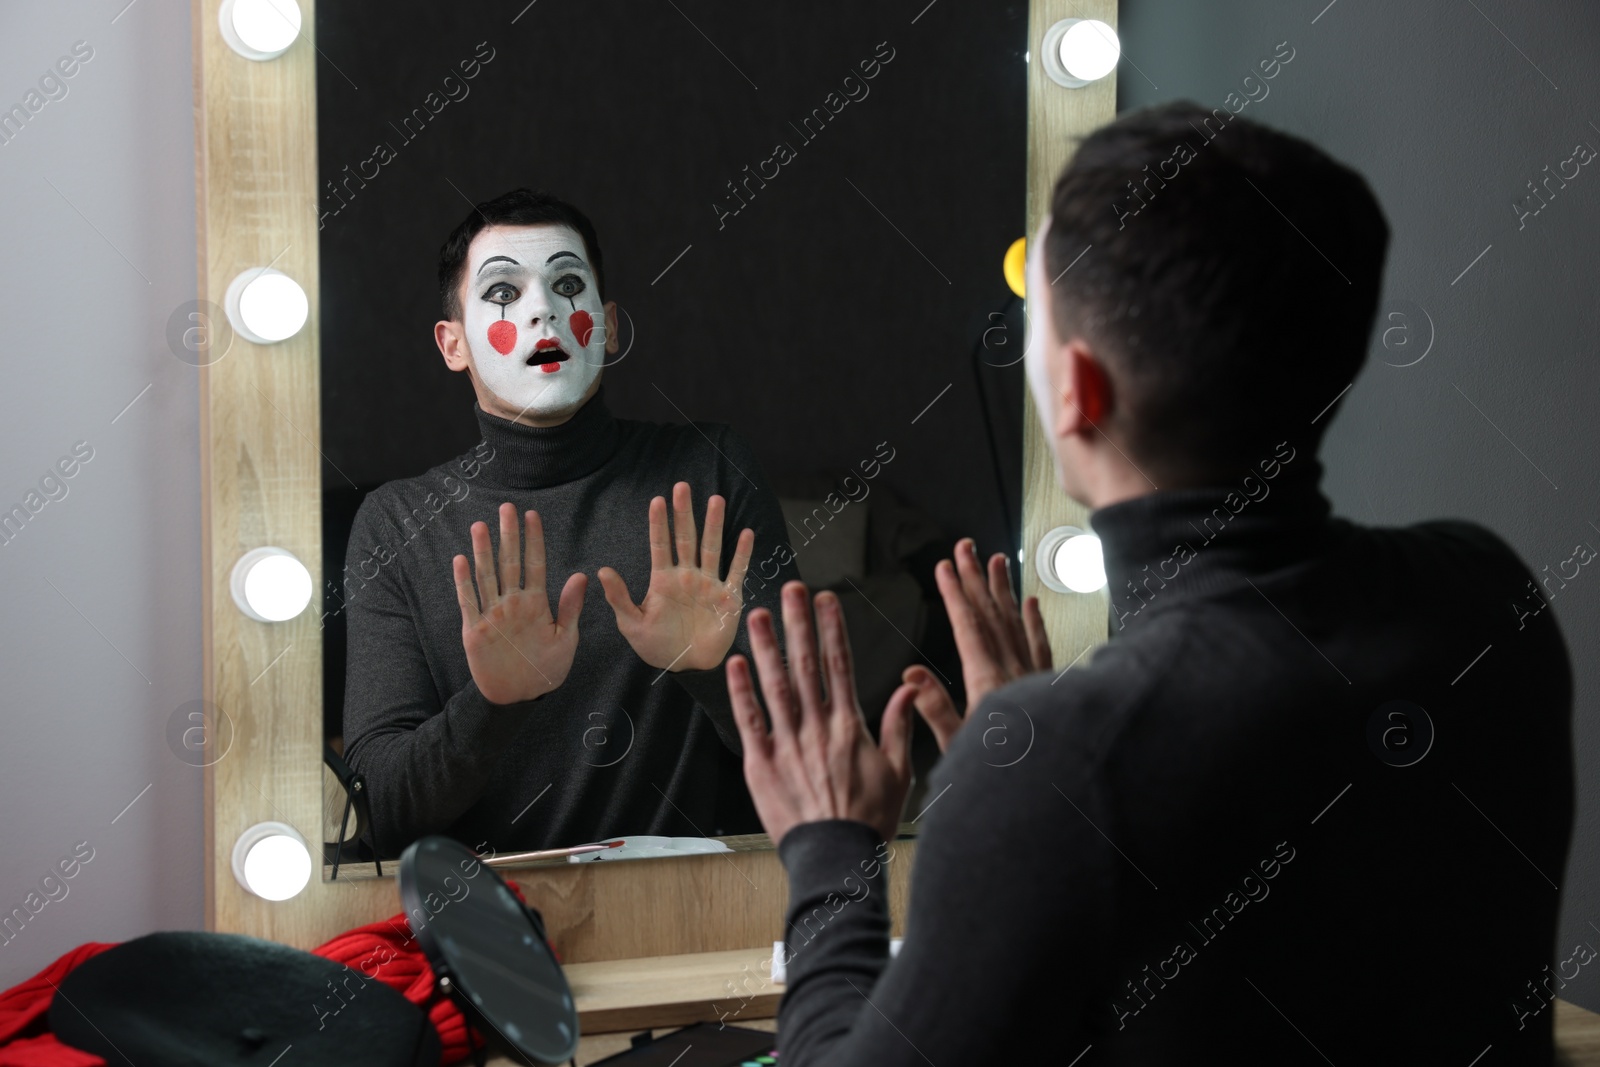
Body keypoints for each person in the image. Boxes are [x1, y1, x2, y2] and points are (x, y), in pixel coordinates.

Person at [728, 102, 1575, 1064]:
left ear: (1078, 392)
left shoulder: (1069, 767)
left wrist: (833, 850)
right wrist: (1031, 796)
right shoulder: (1488, 601)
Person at [340, 188, 799, 857]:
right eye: (503, 292)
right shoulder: (396, 524)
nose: (544, 310)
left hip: (706, 915)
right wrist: (492, 701)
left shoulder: (708, 469)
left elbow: (811, 753)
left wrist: (709, 668)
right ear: (452, 344)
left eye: (566, 283)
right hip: (495, 937)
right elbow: (378, 812)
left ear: (606, 325)